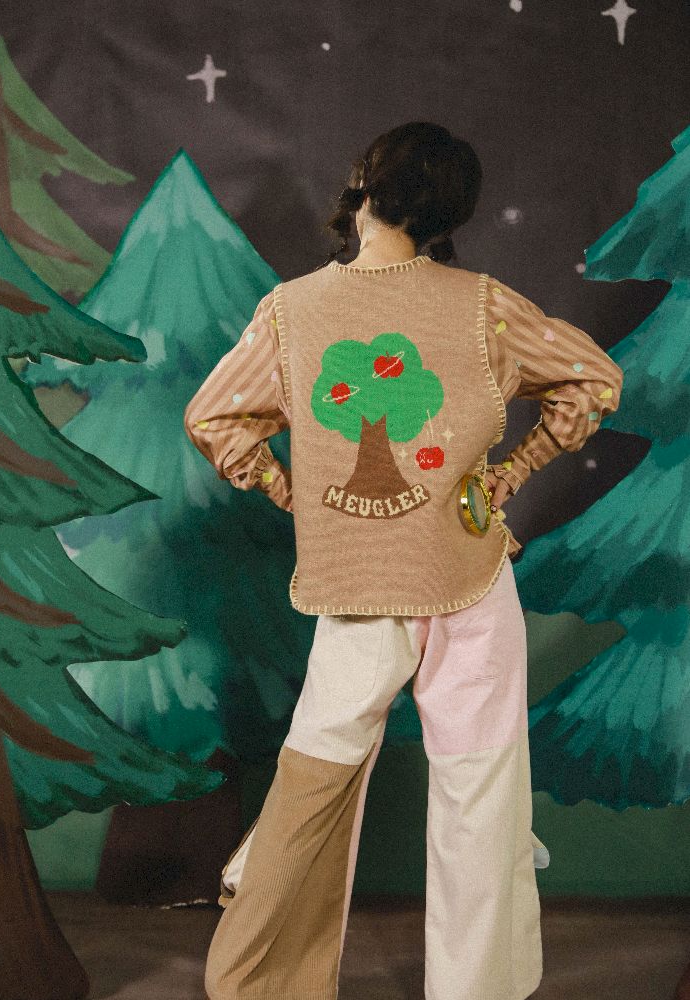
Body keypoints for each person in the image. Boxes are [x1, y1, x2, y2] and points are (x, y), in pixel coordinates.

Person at [183, 121, 623, 1000]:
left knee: (315, 777)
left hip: (358, 583)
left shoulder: (292, 311)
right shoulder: (486, 305)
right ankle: (477, 988)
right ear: (449, 215)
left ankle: (267, 981)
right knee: (479, 786)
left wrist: (290, 492)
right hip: (469, 576)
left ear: (363, 185)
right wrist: (512, 474)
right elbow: (592, 378)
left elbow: (213, 416)